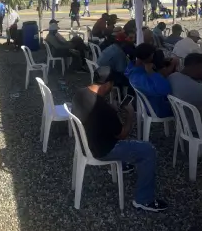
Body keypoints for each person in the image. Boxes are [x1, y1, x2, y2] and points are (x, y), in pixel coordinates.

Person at [72, 80, 168, 212]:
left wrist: (112, 109)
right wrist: (130, 116)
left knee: (124, 142)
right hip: (103, 150)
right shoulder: (104, 109)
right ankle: (144, 200)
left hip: (86, 143)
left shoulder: (80, 92)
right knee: (148, 150)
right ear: (106, 84)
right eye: (111, 85)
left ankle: (122, 166)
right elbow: (122, 134)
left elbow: (99, 117)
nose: (112, 89)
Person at [125, 43, 174, 118]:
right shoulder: (139, 77)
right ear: (151, 56)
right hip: (156, 108)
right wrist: (151, 73)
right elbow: (165, 90)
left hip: (148, 105)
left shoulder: (133, 69)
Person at [169, 53, 202, 130]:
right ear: (195, 66)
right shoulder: (196, 88)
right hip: (196, 127)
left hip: (183, 123)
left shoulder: (172, 77)